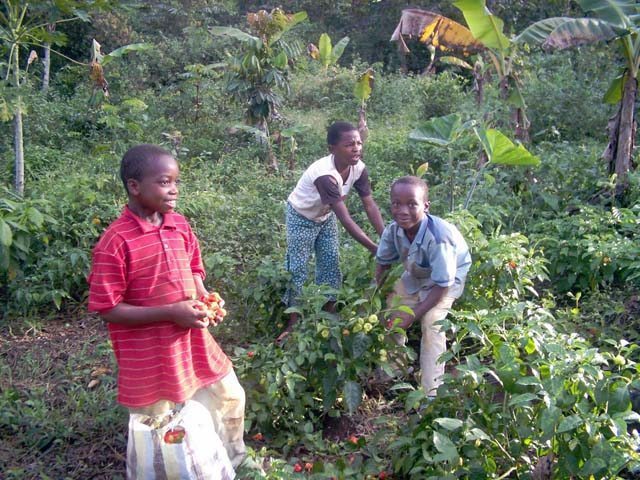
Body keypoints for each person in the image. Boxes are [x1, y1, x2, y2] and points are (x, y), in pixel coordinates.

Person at [87, 144, 246, 468]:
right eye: (164, 182)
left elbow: (194, 267)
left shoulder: (179, 224)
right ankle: (176, 471)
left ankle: (234, 461)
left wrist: (204, 298)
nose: (174, 189)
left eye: (176, 181)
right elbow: (108, 308)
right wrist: (171, 313)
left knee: (228, 396)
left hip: (193, 342)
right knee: (160, 427)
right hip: (150, 356)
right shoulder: (115, 242)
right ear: (135, 186)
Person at [278, 121, 385, 343]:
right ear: (332, 148)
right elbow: (345, 219)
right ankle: (293, 324)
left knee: (331, 263)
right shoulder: (325, 176)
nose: (356, 148)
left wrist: (386, 239)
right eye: (349, 145)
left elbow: (369, 205)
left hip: (325, 216)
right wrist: (374, 248)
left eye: (359, 143)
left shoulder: (359, 168)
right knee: (298, 269)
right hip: (301, 216)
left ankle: (329, 317)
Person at [375, 176, 471, 398]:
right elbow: (383, 264)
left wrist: (413, 316)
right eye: (396, 204)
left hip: (447, 280)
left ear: (426, 206)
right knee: (392, 311)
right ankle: (394, 371)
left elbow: (442, 285)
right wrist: (372, 297)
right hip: (417, 274)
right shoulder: (393, 230)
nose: (403, 211)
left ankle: (431, 392)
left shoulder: (439, 238)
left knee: (432, 323)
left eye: (412, 204)